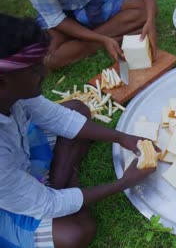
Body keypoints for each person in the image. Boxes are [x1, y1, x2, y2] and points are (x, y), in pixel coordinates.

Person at [0, 14, 157, 248]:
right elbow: (47, 206)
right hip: (7, 199)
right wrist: (123, 183)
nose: (44, 74)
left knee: (77, 109)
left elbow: (56, 117)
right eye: (34, 71)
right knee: (77, 233)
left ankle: (57, 184)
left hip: (18, 158)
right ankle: (59, 187)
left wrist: (122, 137)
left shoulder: (13, 94)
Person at [16, 0, 158, 70]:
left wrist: (150, 20)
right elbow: (55, 18)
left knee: (144, 8)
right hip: (62, 19)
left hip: (92, 3)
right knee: (49, 58)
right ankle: (112, 38)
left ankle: (85, 41)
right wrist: (102, 39)